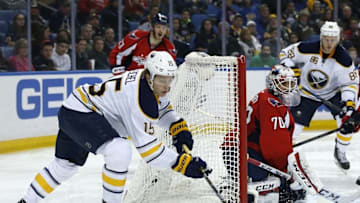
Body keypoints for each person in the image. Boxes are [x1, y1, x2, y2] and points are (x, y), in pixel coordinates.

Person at [18, 51, 209, 203]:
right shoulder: (141, 98)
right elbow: (150, 153)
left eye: (170, 79)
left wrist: (178, 128)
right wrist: (183, 164)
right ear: (150, 76)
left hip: (75, 109)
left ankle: (26, 201)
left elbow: (164, 110)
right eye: (162, 79)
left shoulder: (152, 84)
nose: (167, 86)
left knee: (65, 166)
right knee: (119, 150)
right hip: (82, 112)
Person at [221, 65, 313, 202]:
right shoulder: (270, 104)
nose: (288, 88)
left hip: (240, 150)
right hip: (241, 153)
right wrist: (286, 175)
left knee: (274, 177)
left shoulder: (267, 97)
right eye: (284, 84)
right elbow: (274, 147)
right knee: (277, 182)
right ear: (273, 84)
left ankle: (237, 182)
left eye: (291, 83)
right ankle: (238, 188)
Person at [279, 21, 359, 170]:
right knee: (292, 129)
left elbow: (350, 84)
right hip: (306, 94)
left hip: (332, 94)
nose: (329, 43)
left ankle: (340, 152)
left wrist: (349, 103)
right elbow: (284, 54)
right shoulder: (306, 48)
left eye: (332, 40)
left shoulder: (344, 60)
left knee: (348, 122)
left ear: (338, 39)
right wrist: (291, 69)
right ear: (321, 37)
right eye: (326, 39)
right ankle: (282, 159)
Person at [109, 13, 176, 75]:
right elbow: (117, 54)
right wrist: (119, 74)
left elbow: (170, 69)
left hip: (152, 83)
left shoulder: (169, 47)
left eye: (164, 28)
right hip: (130, 79)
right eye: (158, 27)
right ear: (152, 27)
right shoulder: (137, 37)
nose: (161, 30)